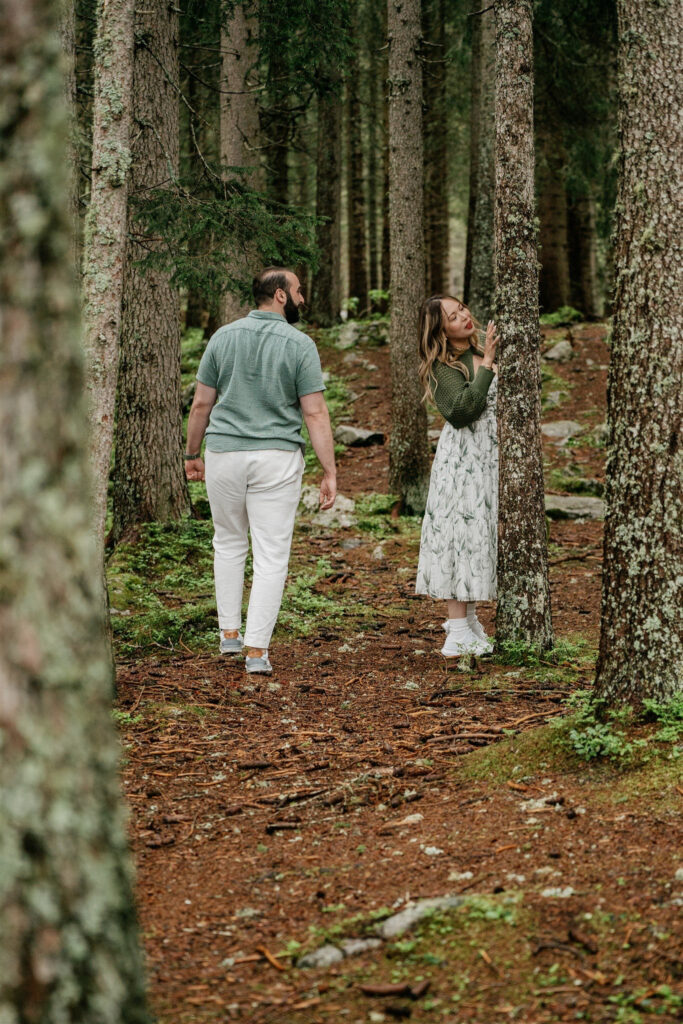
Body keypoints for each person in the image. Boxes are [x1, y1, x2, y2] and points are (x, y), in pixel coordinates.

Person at [184, 267, 336, 675]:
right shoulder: (300, 344)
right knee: (271, 555)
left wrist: (191, 454)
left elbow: (201, 404)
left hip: (224, 454)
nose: (303, 299)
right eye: (299, 292)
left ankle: (229, 634)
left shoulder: (223, 337)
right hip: (276, 457)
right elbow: (315, 412)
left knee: (228, 543)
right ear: (281, 296)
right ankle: (256, 653)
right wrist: (329, 471)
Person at [415, 295, 499, 657]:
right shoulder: (441, 366)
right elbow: (462, 410)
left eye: (462, 308)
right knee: (459, 536)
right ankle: (457, 633)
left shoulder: (479, 351)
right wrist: (490, 363)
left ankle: (470, 623)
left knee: (478, 537)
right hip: (462, 461)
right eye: (453, 316)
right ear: (441, 331)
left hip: (489, 459)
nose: (464, 316)